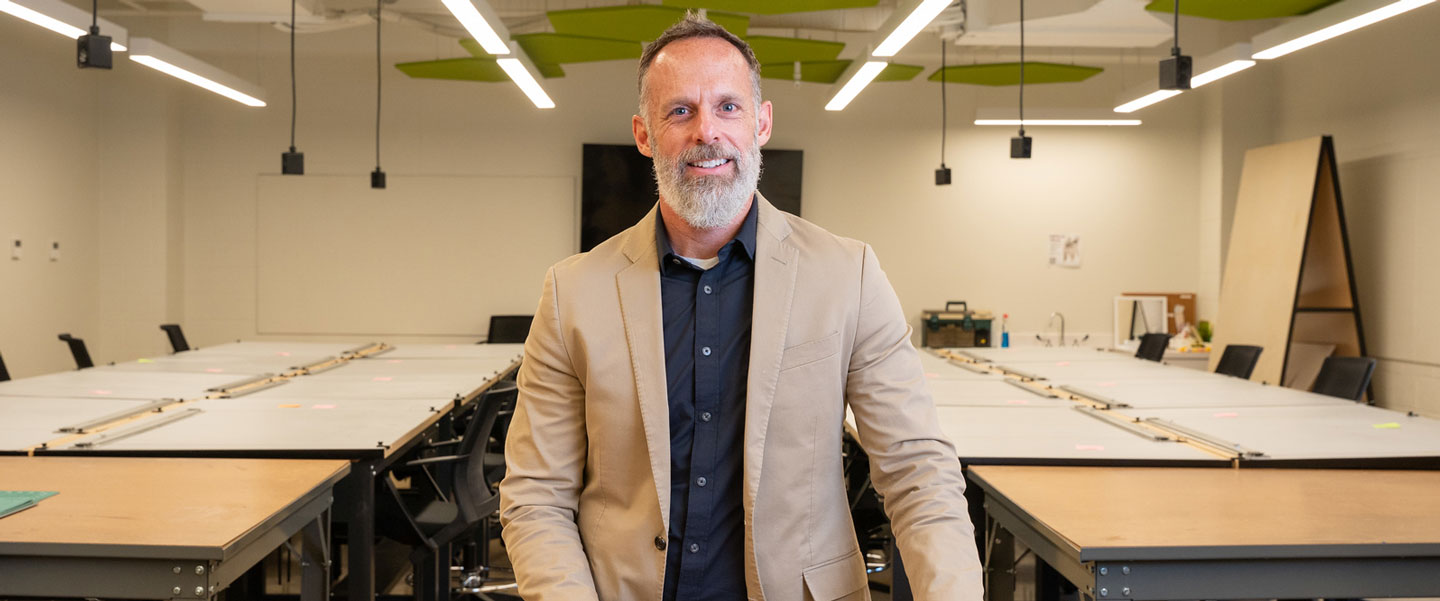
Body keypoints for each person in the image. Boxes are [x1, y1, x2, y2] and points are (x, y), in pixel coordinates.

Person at [498, 12, 982, 601]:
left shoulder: (847, 275)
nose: (708, 132)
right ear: (644, 134)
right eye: (680, 111)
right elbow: (535, 496)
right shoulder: (573, 291)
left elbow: (917, 472)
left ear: (762, 123)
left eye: (728, 107)